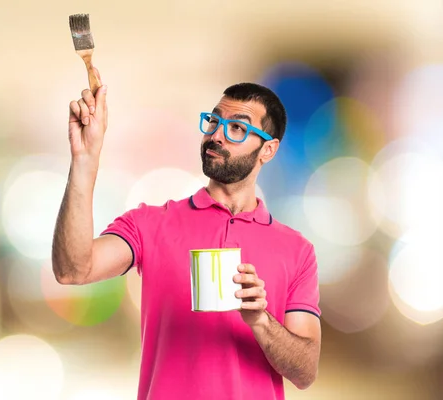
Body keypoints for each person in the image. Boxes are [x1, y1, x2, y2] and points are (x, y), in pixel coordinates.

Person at [52, 69, 321, 400]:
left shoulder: (297, 251)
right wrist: (84, 159)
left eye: (237, 128)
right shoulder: (149, 224)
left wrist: (261, 322)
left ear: (268, 150)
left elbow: (305, 372)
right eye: (213, 122)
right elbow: (72, 269)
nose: (217, 135)